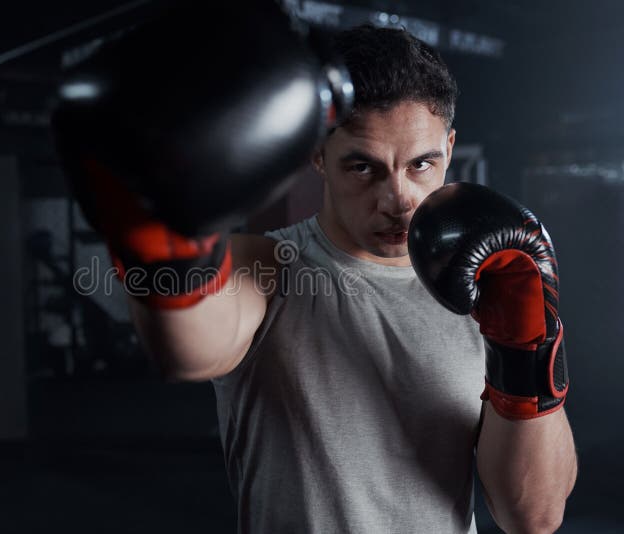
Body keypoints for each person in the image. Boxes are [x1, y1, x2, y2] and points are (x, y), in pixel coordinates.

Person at [52, 11, 577, 533]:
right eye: (362, 166)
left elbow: (532, 515)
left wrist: (526, 349)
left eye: (421, 163)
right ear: (320, 158)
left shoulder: (492, 287)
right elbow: (187, 350)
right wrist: (158, 236)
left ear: (450, 150)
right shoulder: (268, 267)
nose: (398, 198)